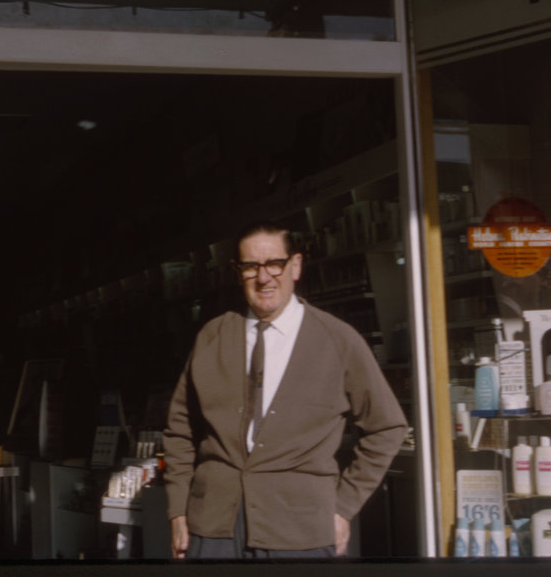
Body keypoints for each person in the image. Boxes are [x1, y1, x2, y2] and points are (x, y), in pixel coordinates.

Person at [163, 220, 408, 559]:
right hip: (212, 529)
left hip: (299, 532)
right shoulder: (212, 337)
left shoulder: (338, 340)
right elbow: (179, 430)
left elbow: (387, 427)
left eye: (274, 264)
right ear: (237, 272)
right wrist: (178, 509)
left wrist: (343, 505)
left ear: (295, 266)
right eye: (250, 267)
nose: (263, 278)